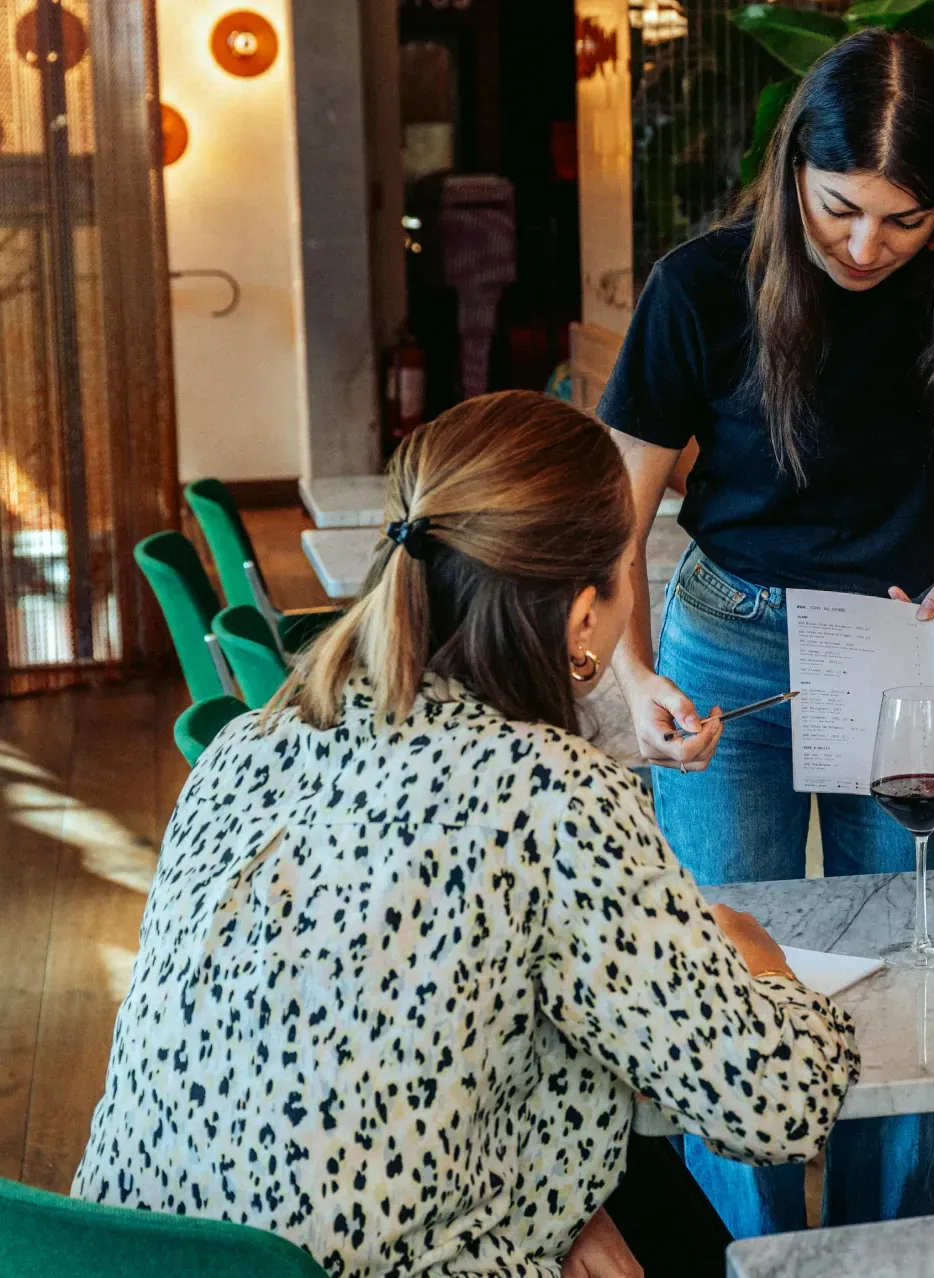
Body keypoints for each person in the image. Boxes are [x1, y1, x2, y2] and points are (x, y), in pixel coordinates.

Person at [72, 392, 859, 1277]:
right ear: (583, 616)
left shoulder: (243, 745)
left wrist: (561, 1203)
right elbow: (777, 1107)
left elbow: (357, 1054)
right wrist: (761, 965)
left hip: (136, 1256)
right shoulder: (556, 798)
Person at [595, 28, 934, 1235]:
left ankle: (881, 1254)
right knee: (724, 974)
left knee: (906, 966)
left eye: (906, 222)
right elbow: (618, 515)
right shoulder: (701, 286)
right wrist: (635, 678)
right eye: (840, 209)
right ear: (794, 164)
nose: (865, 248)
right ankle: (757, 1253)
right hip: (731, 646)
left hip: (902, 647)